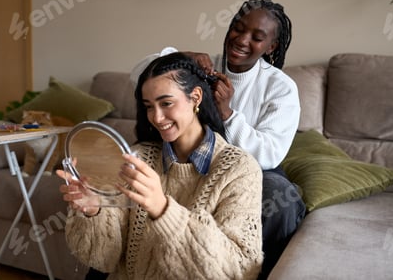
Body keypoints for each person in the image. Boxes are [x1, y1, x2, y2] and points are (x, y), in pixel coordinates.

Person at [130, 0, 306, 279]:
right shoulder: (203, 66)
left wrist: (227, 115)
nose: (242, 39)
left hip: (256, 170)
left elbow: (270, 153)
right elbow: (139, 75)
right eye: (238, 28)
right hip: (195, 160)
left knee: (281, 197)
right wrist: (182, 58)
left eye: (257, 37)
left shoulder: (280, 87)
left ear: (271, 47)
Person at [58, 52, 263, 279]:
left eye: (166, 103)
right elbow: (105, 260)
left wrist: (163, 209)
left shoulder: (240, 170)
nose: (156, 117)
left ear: (195, 97)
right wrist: (94, 211)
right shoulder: (137, 158)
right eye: (148, 106)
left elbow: (239, 270)